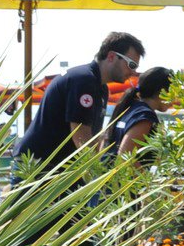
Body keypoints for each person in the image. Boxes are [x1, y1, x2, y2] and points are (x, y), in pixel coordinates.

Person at [13, 32, 144, 171]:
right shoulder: (84, 80)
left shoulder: (100, 87)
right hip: (38, 167)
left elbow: (92, 137)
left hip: (58, 166)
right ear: (111, 56)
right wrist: (100, 172)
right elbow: (81, 135)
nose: (134, 71)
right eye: (131, 64)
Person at [106, 67, 173, 160]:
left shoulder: (130, 107)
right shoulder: (145, 116)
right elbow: (125, 156)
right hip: (121, 174)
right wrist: (146, 175)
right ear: (162, 91)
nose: (175, 98)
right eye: (173, 92)